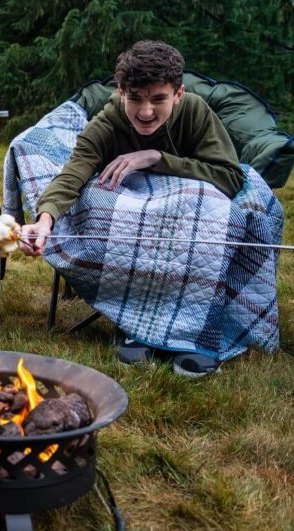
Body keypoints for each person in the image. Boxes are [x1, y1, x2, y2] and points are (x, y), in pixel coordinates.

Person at [19, 40, 243, 373]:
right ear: (121, 91)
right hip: (137, 228)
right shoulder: (107, 122)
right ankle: (137, 327)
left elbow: (229, 176)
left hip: (190, 226)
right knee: (101, 204)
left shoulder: (196, 112)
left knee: (214, 211)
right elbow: (74, 172)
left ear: (178, 94)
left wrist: (155, 158)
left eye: (158, 99)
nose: (146, 111)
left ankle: (199, 333)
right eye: (135, 98)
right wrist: (45, 219)